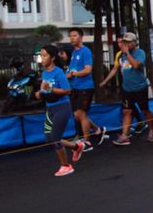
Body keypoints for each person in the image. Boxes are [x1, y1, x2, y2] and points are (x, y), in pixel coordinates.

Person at [99, 32, 153, 145]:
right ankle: (125, 135)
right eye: (125, 42)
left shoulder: (140, 53)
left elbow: (136, 65)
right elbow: (115, 69)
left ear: (135, 42)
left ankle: (152, 130)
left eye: (129, 42)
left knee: (145, 110)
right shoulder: (120, 55)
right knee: (126, 111)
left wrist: (127, 53)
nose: (126, 44)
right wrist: (105, 81)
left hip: (140, 88)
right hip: (127, 89)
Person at [35, 44, 85, 177]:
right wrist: (40, 92)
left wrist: (50, 89)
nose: (42, 58)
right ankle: (76, 147)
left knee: (55, 137)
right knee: (49, 138)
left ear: (52, 58)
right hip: (50, 108)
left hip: (62, 107)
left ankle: (66, 166)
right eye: (41, 55)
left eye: (44, 55)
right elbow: (45, 87)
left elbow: (67, 90)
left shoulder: (58, 72)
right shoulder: (45, 72)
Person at [66, 27, 106, 150]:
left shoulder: (86, 51)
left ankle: (87, 142)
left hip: (85, 87)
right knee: (77, 115)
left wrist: (73, 74)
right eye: (70, 36)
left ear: (81, 37)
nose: (72, 38)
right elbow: (72, 69)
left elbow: (88, 70)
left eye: (74, 35)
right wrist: (67, 75)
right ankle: (97, 129)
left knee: (81, 113)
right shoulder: (74, 53)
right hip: (75, 87)